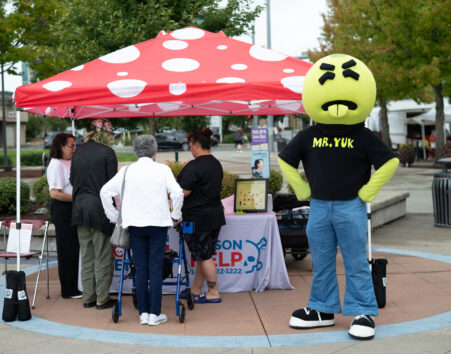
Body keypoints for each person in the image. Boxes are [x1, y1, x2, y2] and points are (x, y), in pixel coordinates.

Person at [278, 54, 399, 340]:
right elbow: (284, 160)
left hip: (351, 206)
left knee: (356, 261)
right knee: (321, 261)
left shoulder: (363, 134)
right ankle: (322, 309)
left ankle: (363, 311)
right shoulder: (309, 134)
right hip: (319, 206)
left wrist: (368, 192)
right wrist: (302, 189)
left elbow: (389, 161)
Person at [100, 135, 183, 326]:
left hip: (135, 225)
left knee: (140, 268)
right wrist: (174, 214)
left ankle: (143, 314)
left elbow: (105, 191)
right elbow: (177, 193)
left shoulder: (127, 171)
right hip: (158, 225)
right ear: (155, 151)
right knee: (155, 268)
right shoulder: (162, 169)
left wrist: (114, 216)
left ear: (135, 151)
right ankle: (155, 313)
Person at [70, 119, 118, 310]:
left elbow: (72, 179)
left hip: (79, 208)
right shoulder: (107, 152)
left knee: (87, 255)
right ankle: (102, 298)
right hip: (100, 209)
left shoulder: (78, 151)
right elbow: (112, 185)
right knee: (103, 255)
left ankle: (88, 297)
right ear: (106, 134)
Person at [177, 128, 225, 303]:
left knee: (203, 256)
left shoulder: (194, 166)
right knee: (202, 254)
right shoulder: (215, 163)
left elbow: (183, 192)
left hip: (197, 218)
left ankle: (213, 292)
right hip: (214, 216)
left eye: (190, 144)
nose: (189, 148)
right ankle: (195, 290)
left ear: (196, 144)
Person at [47, 133, 81, 299]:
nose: (74, 149)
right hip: (63, 209)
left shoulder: (70, 161)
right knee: (67, 248)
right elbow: (55, 193)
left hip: (73, 207)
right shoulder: (56, 165)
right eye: (71, 146)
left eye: (75, 145)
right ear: (60, 146)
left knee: (74, 247)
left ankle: (76, 284)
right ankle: (68, 289)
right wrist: (78, 198)